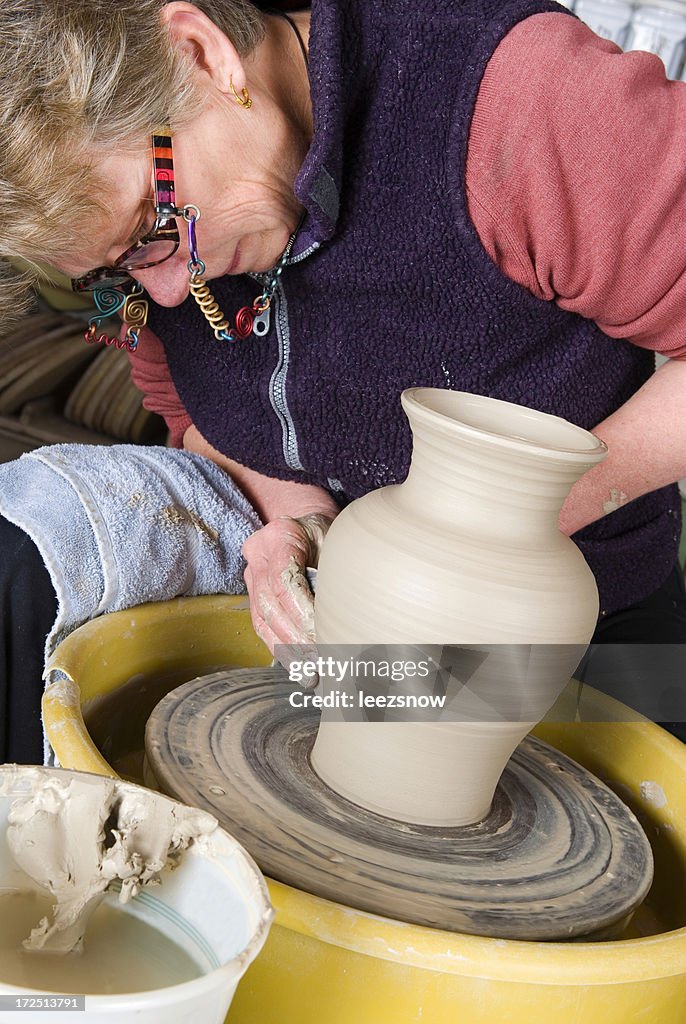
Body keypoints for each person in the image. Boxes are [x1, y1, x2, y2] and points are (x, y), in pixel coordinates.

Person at [2, 0, 686, 764]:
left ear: (203, 55)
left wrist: (509, 520)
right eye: (112, 270)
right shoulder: (161, 265)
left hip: (588, 626)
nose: (163, 295)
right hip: (334, 637)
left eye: (150, 232)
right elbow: (184, 403)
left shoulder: (517, 97)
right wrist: (293, 516)